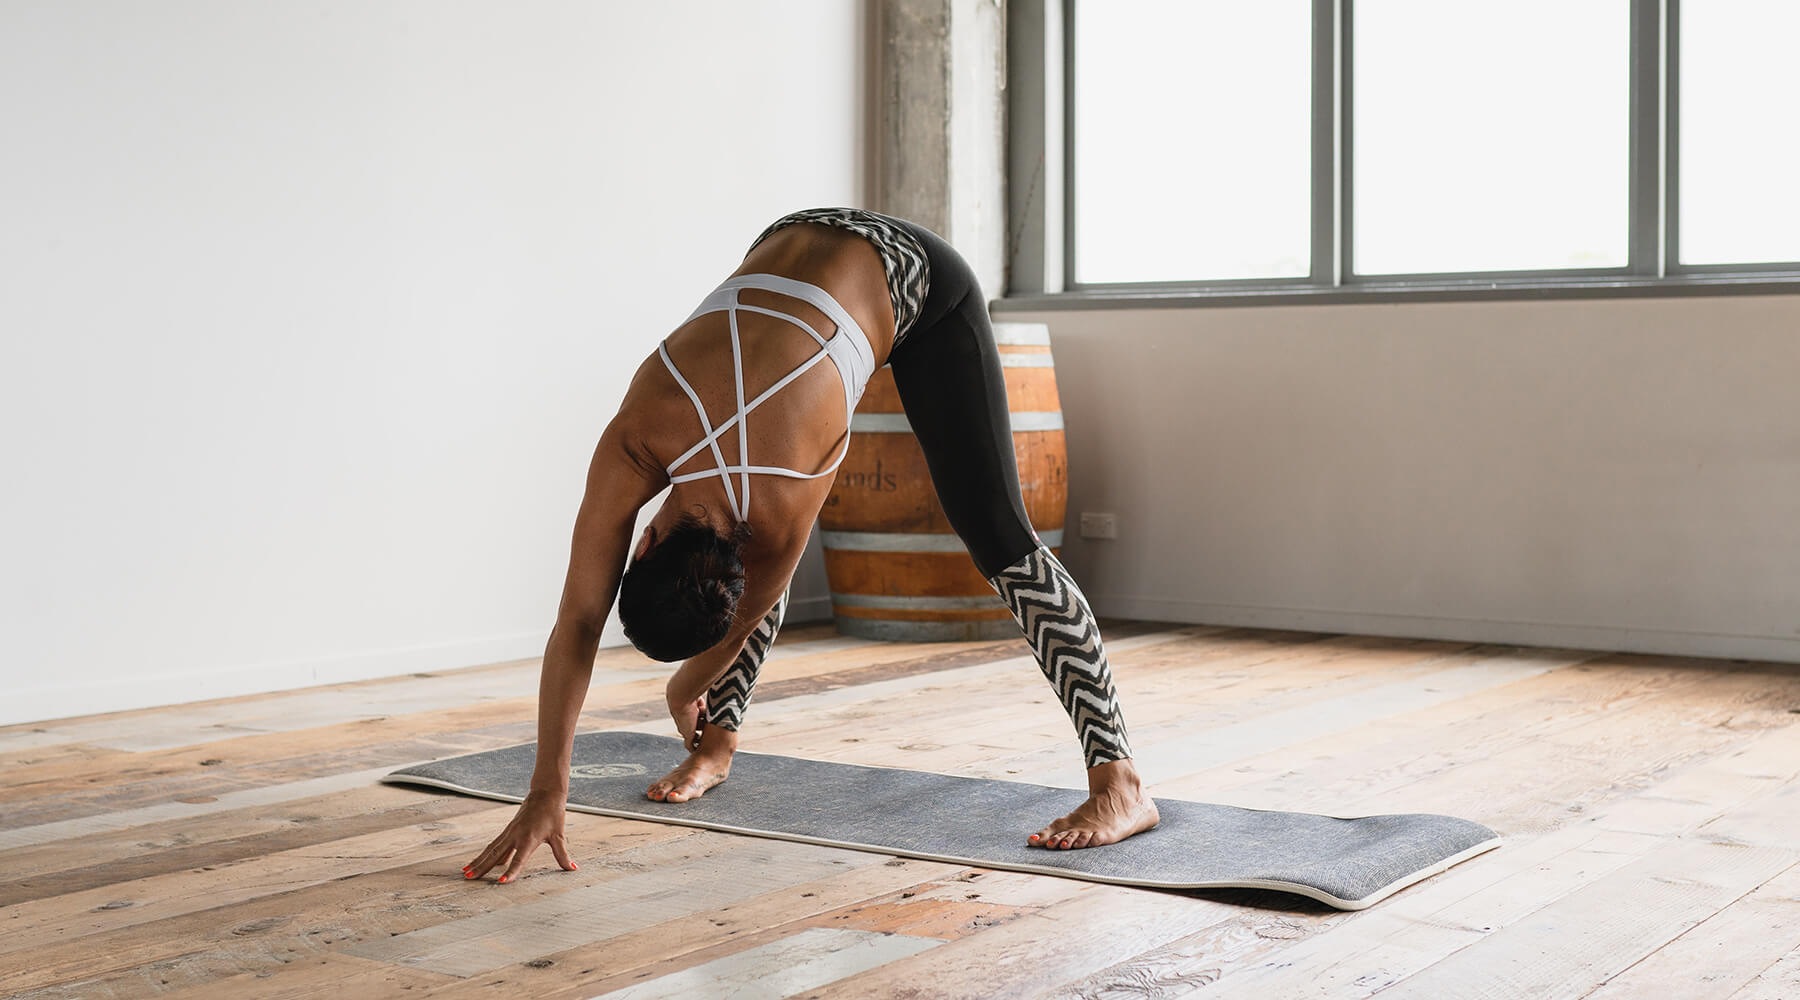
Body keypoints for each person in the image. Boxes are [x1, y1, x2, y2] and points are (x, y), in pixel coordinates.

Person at [462, 208, 1159, 884]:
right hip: (799, 235)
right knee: (765, 564)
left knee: (1004, 541)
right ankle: (718, 748)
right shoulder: (640, 434)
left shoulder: (785, 483)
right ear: (645, 545)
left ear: (642, 540)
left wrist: (683, 687)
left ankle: (1121, 781)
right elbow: (587, 620)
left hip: (918, 280)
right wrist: (547, 790)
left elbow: (730, 613)